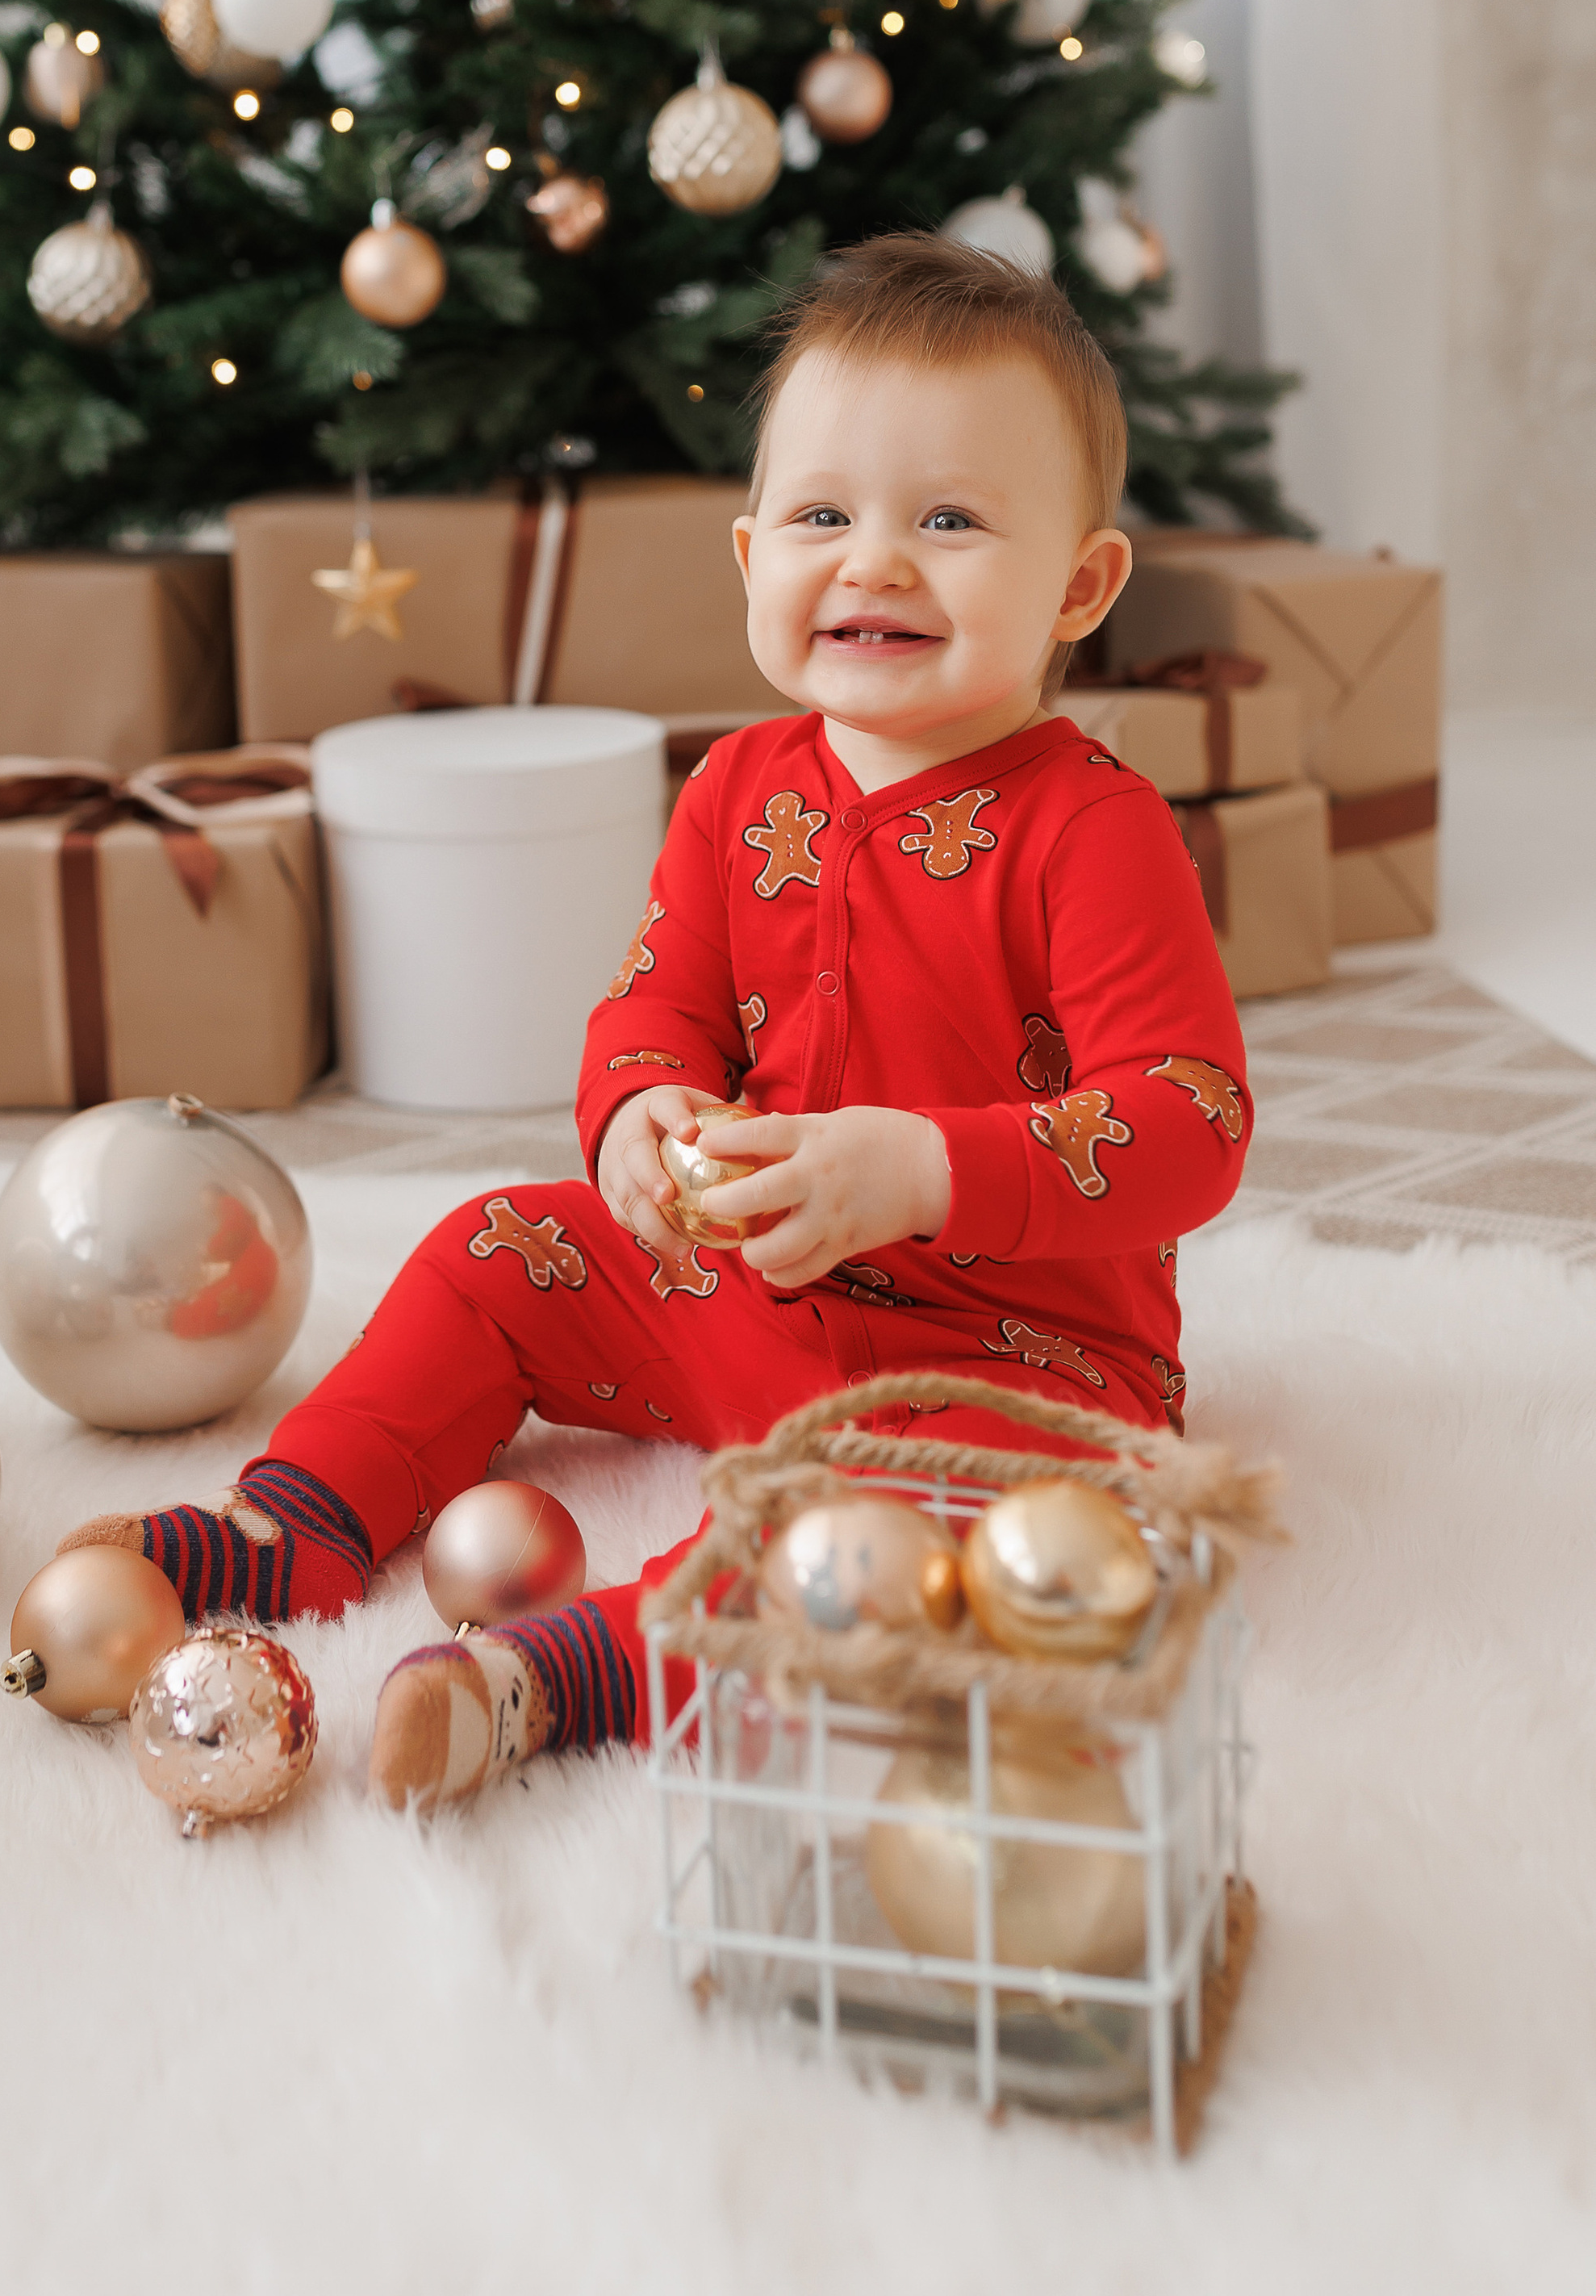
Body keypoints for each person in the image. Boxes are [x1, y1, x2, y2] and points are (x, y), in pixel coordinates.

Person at [62, 235, 1252, 1808]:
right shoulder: (737, 789)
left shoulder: (1088, 830)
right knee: (497, 1251)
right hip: (743, 1287)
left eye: (948, 521)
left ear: (1078, 589)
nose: (873, 562)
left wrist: (916, 1170)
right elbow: (654, 1005)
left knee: (878, 1530)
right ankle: (306, 1523)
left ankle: (586, 1667)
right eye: (821, 517)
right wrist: (638, 1117)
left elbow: (1189, 1123)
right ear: (751, 555)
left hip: (1014, 1365)